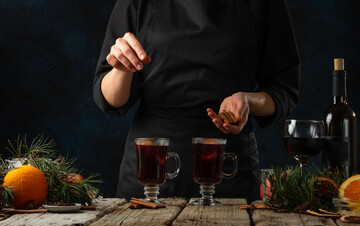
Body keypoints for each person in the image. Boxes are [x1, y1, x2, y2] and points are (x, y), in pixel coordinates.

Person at [93, 0, 300, 203]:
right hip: (151, 167)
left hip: (228, 167)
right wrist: (121, 68)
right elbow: (111, 101)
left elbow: (284, 89)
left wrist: (248, 101)